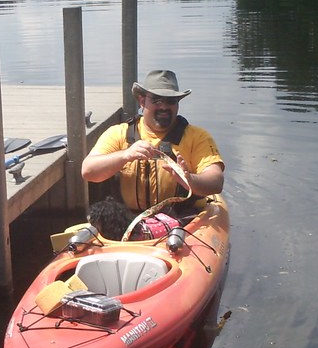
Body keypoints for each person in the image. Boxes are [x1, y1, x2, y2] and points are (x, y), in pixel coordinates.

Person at [81, 70, 224, 234]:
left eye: (170, 101)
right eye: (156, 100)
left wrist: (189, 180)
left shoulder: (198, 137)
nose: (163, 106)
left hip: (183, 221)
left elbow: (216, 181)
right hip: (127, 220)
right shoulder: (118, 134)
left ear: (177, 103)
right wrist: (125, 155)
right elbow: (88, 171)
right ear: (142, 101)